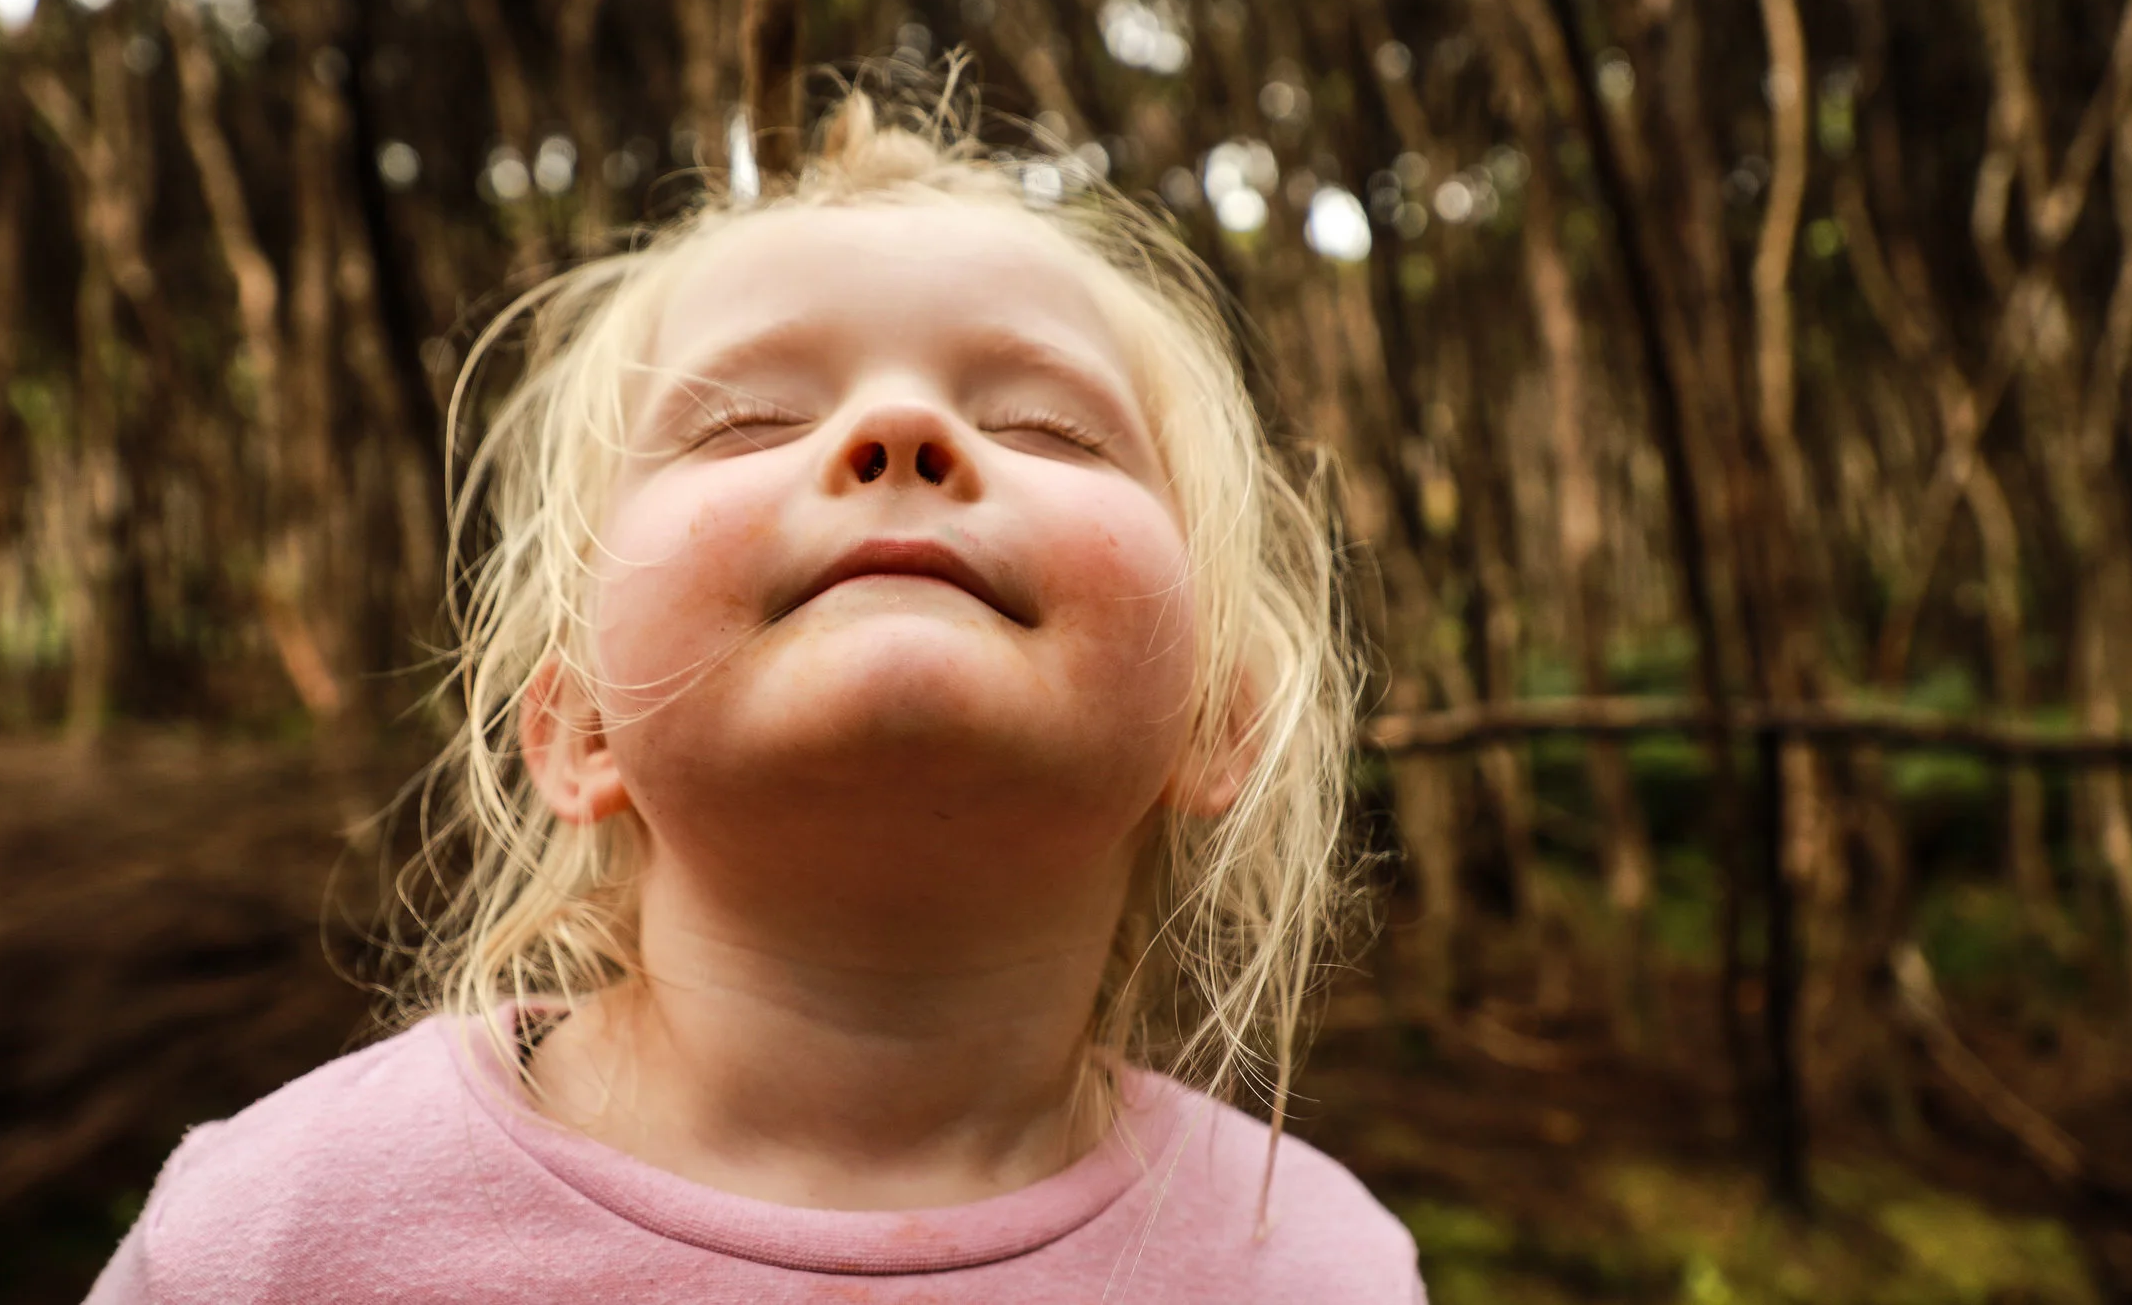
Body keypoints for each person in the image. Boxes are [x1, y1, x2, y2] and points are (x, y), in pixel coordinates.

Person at [84, 76, 1425, 1303]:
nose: (899, 433)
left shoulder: (1320, 1264)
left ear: (1220, 718)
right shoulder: (278, 1233)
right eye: (748, 419)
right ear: (578, 724)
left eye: (1043, 425)